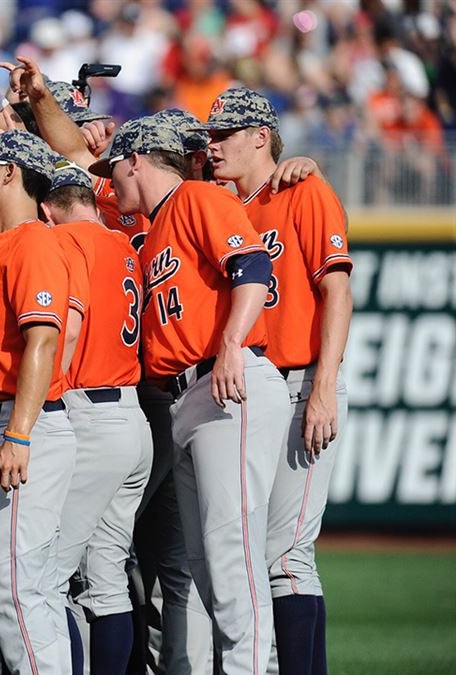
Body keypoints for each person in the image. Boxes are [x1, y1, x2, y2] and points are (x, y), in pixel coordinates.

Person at [89, 116, 292, 675]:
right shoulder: (155, 227)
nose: (115, 181)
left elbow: (252, 265)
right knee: (207, 563)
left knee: (232, 552)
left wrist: (230, 344)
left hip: (228, 381)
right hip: (186, 396)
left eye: (117, 168)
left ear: (137, 160)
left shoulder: (198, 195)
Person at [201, 86, 353, 675]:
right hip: (255, 390)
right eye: (209, 135)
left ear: (260, 137)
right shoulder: (223, 202)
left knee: (286, 555)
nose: (212, 146)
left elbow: (335, 291)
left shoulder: (303, 191)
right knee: (248, 552)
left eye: (224, 135)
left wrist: (322, 386)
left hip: (300, 383)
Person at [0, 130, 87, 674]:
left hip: (19, 424)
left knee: (15, 593)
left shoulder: (33, 241)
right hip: (1, 423)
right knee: (29, 591)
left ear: (10, 173)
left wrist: (18, 433)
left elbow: (45, 340)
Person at [41, 161, 152, 675]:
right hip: (131, 416)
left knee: (46, 575)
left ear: (47, 208)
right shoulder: (124, 246)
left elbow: (64, 330)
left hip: (86, 414)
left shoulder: (64, 243)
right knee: (105, 578)